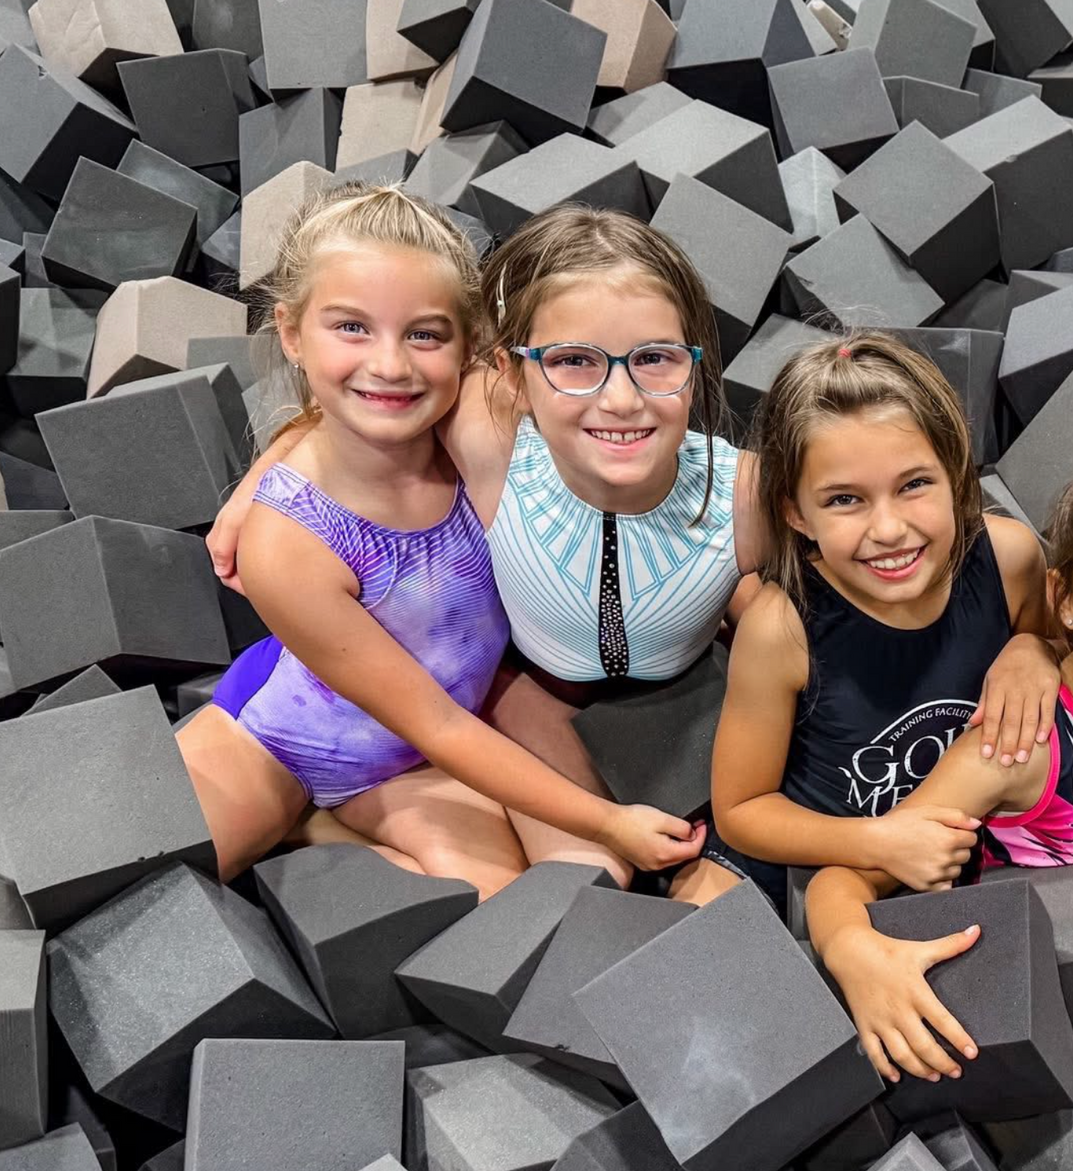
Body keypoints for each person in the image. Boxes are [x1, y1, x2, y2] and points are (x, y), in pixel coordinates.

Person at [211, 206, 1048, 898]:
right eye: (573, 362)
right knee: (588, 881)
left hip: (673, 699)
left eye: (654, 360)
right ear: (512, 369)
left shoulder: (749, 496)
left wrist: (1030, 646)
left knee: (635, 887)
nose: (619, 397)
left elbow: (927, 521)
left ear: (695, 362)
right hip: (519, 693)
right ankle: (333, 813)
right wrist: (272, 471)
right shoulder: (490, 434)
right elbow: (370, 388)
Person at [179, 185, 698, 896]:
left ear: (471, 348)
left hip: (433, 729)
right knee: (146, 878)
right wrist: (610, 819)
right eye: (352, 328)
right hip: (296, 738)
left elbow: (599, 398)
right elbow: (437, 723)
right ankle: (303, 828)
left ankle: (321, 830)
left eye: (424, 334)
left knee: (561, 895)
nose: (391, 364)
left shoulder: (471, 421)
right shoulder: (288, 543)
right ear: (292, 333)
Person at [805, 453, 1073, 1140]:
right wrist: (850, 952)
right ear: (1064, 598)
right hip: (1042, 991)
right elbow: (849, 874)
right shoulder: (1018, 747)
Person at [708, 333, 1061, 914]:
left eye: (914, 485)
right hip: (816, 876)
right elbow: (742, 810)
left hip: (958, 870)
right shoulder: (780, 629)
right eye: (845, 500)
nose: (890, 529)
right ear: (796, 513)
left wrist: (1033, 649)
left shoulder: (1010, 557)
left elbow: (1060, 655)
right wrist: (881, 840)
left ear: (954, 474)